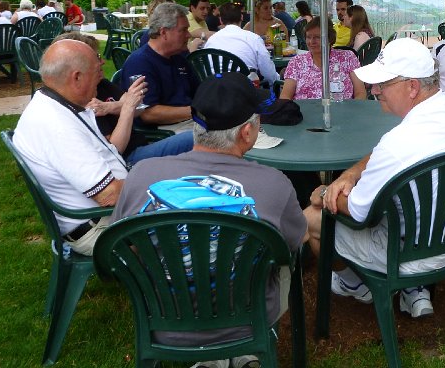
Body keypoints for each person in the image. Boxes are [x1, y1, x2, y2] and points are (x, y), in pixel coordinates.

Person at [112, 72, 307, 368]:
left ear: (195, 125)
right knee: (286, 258)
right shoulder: (274, 184)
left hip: (163, 317)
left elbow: (121, 246)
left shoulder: (141, 175)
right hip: (246, 319)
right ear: (247, 132)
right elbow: (291, 245)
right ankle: (238, 352)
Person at [303, 38, 445, 318]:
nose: (374, 91)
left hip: (411, 252)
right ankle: (414, 290)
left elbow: (360, 212)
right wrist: (351, 173)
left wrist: (324, 193)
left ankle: (354, 284)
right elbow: (386, 154)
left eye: (383, 84)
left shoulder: (397, 144)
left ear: (412, 86)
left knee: (312, 218)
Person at [13, 39, 130, 255]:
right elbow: (109, 196)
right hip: (102, 228)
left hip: (104, 216)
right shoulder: (54, 123)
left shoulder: (52, 103)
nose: (100, 76)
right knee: (194, 216)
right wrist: (153, 183)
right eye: (96, 71)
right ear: (76, 77)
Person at [57, 33, 195, 163]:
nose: (103, 61)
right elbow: (115, 151)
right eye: (97, 57)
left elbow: (139, 108)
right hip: (128, 160)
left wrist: (111, 107)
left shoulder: (102, 85)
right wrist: (127, 107)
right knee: (196, 137)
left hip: (141, 145)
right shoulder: (86, 99)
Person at [121, 2, 197, 129]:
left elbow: (198, 92)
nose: (188, 35)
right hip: (162, 130)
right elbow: (148, 113)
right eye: (183, 30)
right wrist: (197, 112)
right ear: (164, 33)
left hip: (187, 121)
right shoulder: (139, 63)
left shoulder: (178, 57)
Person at [280, 17, 366, 100]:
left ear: (330, 38)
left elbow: (360, 92)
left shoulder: (347, 57)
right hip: (304, 113)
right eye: (308, 37)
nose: (311, 42)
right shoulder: (296, 62)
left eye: (317, 37)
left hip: (342, 112)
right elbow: (285, 96)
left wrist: (352, 112)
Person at [204, 2, 280, 85]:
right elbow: (269, 73)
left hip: (214, 90)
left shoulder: (211, 40)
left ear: (221, 20)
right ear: (241, 17)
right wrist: (277, 79)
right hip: (244, 92)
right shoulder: (253, 38)